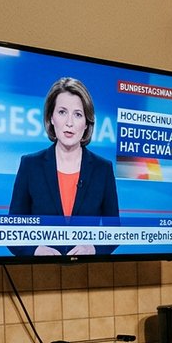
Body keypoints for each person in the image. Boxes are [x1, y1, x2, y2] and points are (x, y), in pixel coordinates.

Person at [8, 77, 119, 256]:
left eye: (78, 114)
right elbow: (11, 231)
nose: (69, 123)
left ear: (86, 123)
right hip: (40, 269)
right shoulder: (30, 165)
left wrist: (93, 248)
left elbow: (114, 231)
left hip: (88, 268)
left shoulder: (103, 169)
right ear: (51, 117)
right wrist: (35, 250)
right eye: (62, 112)